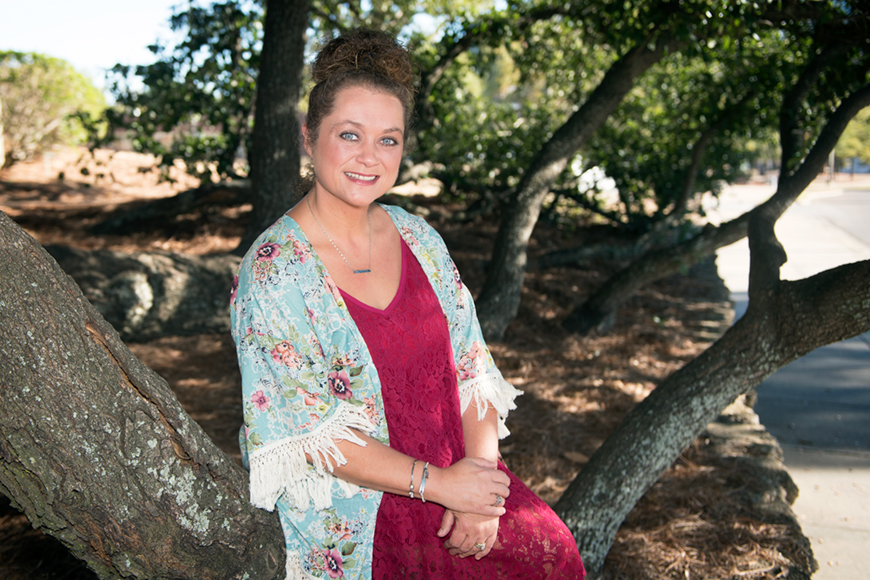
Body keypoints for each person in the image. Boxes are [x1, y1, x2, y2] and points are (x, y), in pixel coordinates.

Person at [230, 28, 585, 580]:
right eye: (349, 135)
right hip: (362, 515)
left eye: (388, 140)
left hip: (462, 480)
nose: (369, 157)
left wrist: (481, 489)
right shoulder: (275, 271)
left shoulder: (418, 236)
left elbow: (473, 370)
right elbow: (307, 434)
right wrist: (440, 486)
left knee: (554, 554)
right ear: (308, 136)